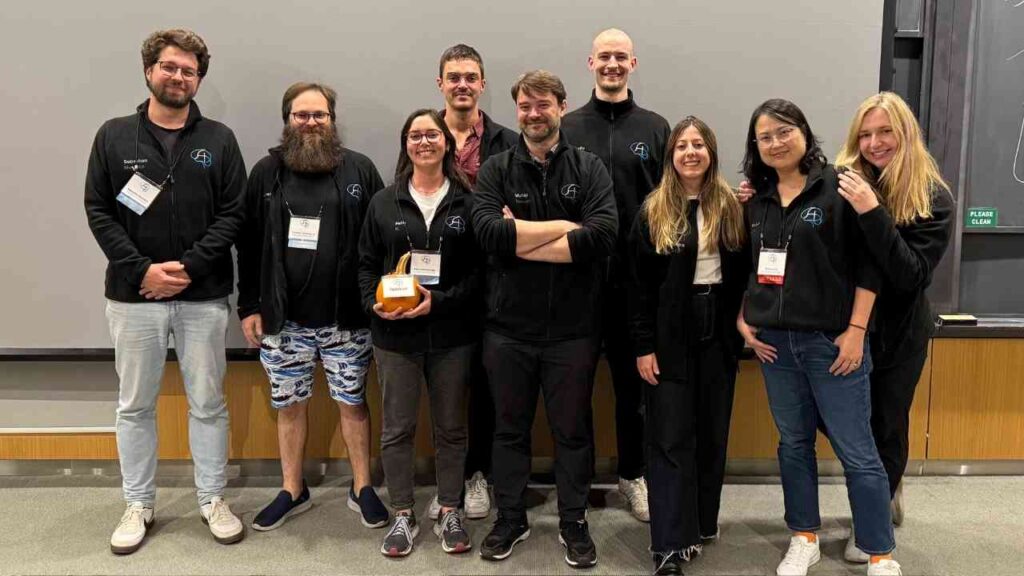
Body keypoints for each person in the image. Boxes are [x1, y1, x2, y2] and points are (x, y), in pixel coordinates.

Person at [84, 28, 246, 554]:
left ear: (198, 79)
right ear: (149, 71)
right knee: (134, 406)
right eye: (170, 67)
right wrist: (142, 271)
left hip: (203, 296)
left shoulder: (219, 139)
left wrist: (190, 267)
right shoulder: (114, 136)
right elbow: (98, 210)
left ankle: (212, 499)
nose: (179, 77)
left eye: (189, 70)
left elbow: (234, 213)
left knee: (209, 403)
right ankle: (138, 503)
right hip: (133, 298)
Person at [736, 99, 902, 576]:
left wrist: (855, 332)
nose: (775, 143)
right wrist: (744, 318)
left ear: (804, 133)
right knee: (793, 444)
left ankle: (879, 553)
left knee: (857, 450)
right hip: (775, 346)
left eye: (784, 132)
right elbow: (748, 266)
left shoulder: (841, 186)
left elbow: (870, 267)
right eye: (765, 137)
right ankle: (803, 537)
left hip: (832, 344)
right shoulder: (756, 199)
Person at [471, 70, 617, 568]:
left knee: (572, 431)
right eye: (525, 106)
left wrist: (521, 240)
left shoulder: (589, 167)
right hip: (507, 330)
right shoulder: (495, 169)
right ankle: (510, 517)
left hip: (573, 332)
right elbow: (488, 236)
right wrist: (562, 228)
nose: (534, 114)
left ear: (561, 107)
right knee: (509, 430)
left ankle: (574, 520)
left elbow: (601, 237)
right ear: (517, 111)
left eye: (543, 104)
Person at [236, 82, 388, 533]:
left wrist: (377, 300)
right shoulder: (266, 173)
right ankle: (292, 489)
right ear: (287, 121)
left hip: (348, 319)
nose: (310, 122)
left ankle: (362, 487)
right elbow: (248, 245)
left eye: (319, 115)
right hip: (284, 321)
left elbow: (380, 240)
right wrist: (249, 306)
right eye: (301, 115)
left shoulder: (359, 169)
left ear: (332, 120)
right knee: (290, 405)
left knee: (353, 403)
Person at [833, 91, 953, 561]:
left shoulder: (933, 197)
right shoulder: (844, 182)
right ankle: (887, 484)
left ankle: (873, 521)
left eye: (885, 132)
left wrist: (872, 212)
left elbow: (908, 275)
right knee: (840, 423)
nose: (874, 142)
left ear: (905, 134)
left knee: (886, 424)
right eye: (865, 134)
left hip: (899, 336)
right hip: (844, 329)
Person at [358, 109, 482, 557]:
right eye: (415, 136)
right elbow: (365, 265)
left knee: (451, 428)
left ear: (447, 143)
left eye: (432, 134)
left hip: (453, 336)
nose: (424, 142)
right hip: (395, 338)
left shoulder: (469, 202)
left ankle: (450, 509)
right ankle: (403, 513)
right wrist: (371, 304)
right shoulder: (383, 201)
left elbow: (480, 274)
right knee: (397, 430)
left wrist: (441, 301)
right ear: (405, 144)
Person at [628, 116, 747, 575]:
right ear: (671, 156)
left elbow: (747, 272)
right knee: (669, 436)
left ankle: (701, 523)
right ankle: (670, 544)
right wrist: (643, 346)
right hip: (668, 332)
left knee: (711, 431)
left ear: (711, 152)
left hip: (719, 331)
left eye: (699, 144)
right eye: (682, 146)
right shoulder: (653, 209)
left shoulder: (732, 206)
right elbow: (637, 287)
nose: (691, 152)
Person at [562, 28, 671, 522]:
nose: (612, 64)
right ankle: (578, 479)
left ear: (633, 63)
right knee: (575, 388)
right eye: (604, 56)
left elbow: (672, 199)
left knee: (634, 391)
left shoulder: (655, 127)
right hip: (577, 282)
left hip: (636, 284)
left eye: (620, 56)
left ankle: (633, 475)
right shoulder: (567, 127)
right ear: (590, 63)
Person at [430, 43, 518, 521]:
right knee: (445, 385)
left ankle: (478, 473)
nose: (462, 84)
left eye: (470, 77)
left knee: (486, 385)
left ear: (482, 84)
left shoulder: (507, 141)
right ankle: (449, 478)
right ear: (440, 83)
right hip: (438, 281)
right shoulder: (423, 134)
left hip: (495, 280)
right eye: (453, 77)